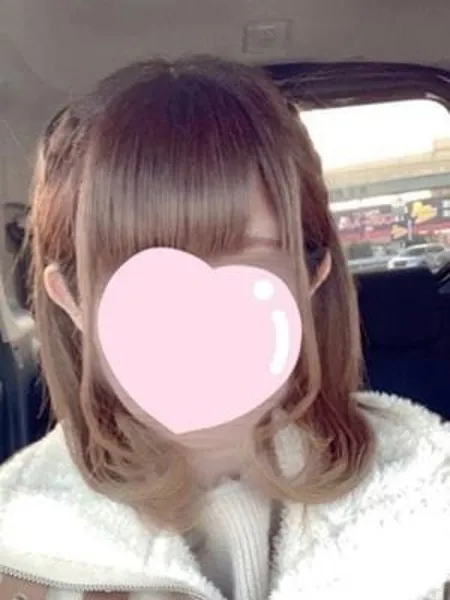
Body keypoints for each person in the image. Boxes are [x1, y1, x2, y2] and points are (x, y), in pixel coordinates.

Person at [0, 56, 448, 600]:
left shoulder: (429, 500)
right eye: (144, 282)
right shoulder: (20, 549)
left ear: (312, 277)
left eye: (251, 265)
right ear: (71, 300)